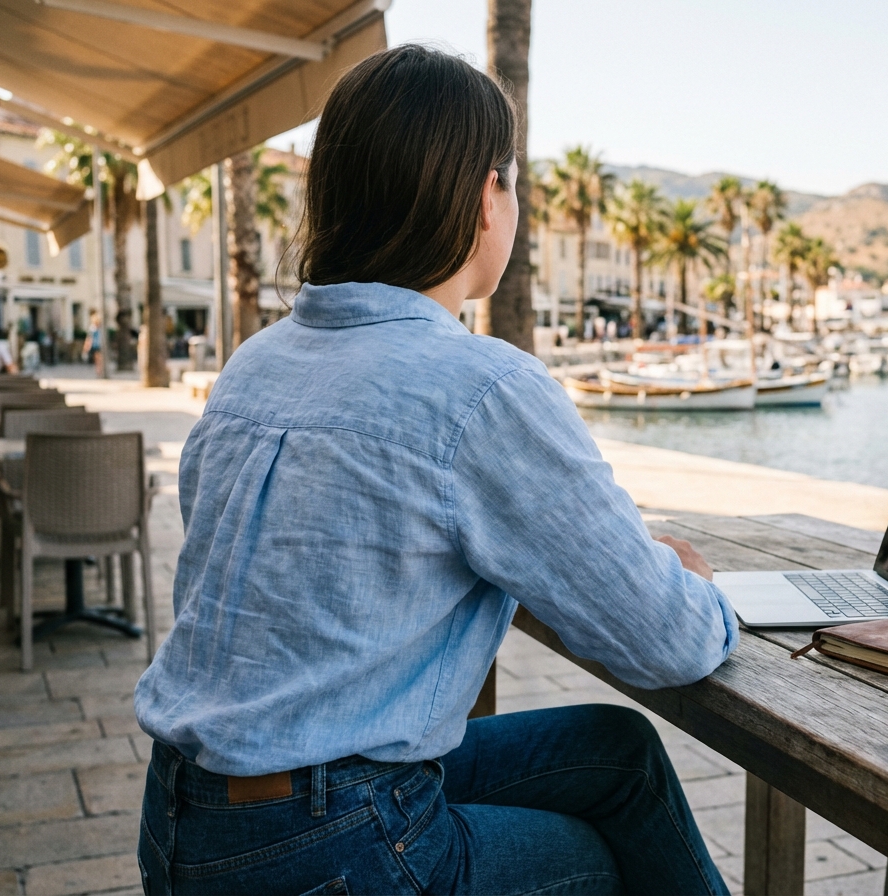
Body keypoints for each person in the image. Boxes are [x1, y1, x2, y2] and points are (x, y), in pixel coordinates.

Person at [134, 45, 738, 896]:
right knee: (600, 865)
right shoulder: (480, 384)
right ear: (487, 195)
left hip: (180, 815)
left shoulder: (256, 363)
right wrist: (695, 586)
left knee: (619, 755)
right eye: (513, 180)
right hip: (322, 845)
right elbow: (668, 642)